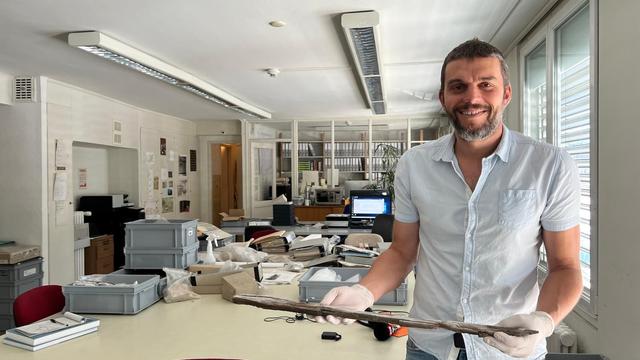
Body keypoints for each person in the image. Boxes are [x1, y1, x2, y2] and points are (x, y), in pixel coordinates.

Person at [316, 38, 583, 360]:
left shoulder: (550, 165)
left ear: (506, 94)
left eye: (486, 85)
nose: (472, 98)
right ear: (444, 98)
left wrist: (544, 321)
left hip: (509, 351)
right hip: (429, 345)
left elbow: (565, 266)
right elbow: (402, 250)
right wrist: (363, 291)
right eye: (458, 87)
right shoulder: (415, 165)